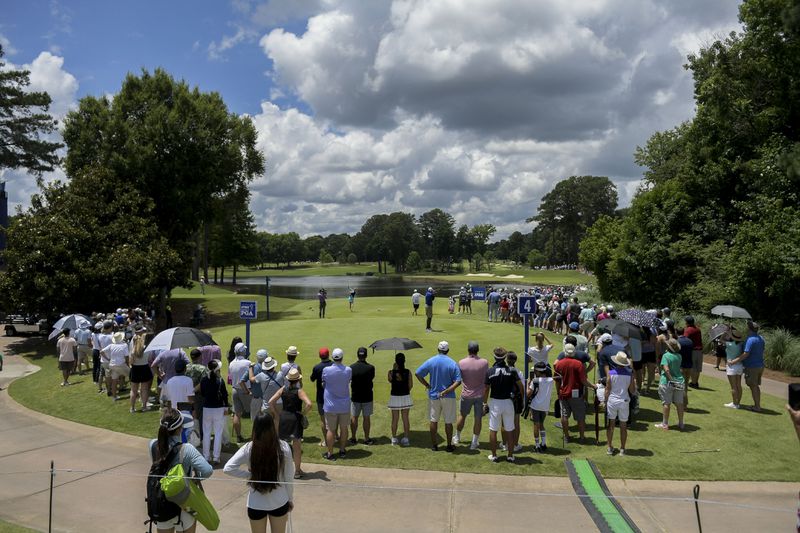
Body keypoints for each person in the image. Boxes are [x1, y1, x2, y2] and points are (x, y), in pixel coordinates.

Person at [223, 412, 294, 533]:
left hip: (256, 503)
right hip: (279, 501)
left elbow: (228, 468)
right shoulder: (284, 447)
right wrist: (290, 499)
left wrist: (250, 476)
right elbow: (289, 477)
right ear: (272, 427)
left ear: (255, 428)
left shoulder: (248, 448)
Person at [149, 408, 213, 533]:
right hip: (184, 504)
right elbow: (207, 471)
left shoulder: (152, 445)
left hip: (161, 502)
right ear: (180, 428)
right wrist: (194, 480)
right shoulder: (187, 449)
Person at [415, 340, 462, 451]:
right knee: (448, 421)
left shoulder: (431, 361)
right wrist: (447, 391)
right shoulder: (452, 363)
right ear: (448, 350)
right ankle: (449, 445)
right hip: (448, 397)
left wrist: (427, 384)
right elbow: (458, 381)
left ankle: (434, 445)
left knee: (433, 420)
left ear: (438, 349)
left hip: (434, 395)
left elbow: (418, 373)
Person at [269, 368, 312, 478]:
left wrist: (276, 414)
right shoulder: (299, 391)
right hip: (295, 418)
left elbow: (271, 402)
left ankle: (279, 470)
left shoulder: (283, 389)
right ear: (298, 380)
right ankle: (297, 471)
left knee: (282, 445)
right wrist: (303, 413)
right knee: (296, 446)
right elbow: (309, 404)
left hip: (284, 417)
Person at [483, 347, 523, 463]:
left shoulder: (489, 371)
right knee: (510, 429)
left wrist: (484, 403)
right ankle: (510, 456)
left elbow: (486, 389)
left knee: (493, 429)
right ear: (505, 357)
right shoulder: (512, 371)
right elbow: (520, 386)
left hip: (495, 402)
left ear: (495, 357)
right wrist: (520, 398)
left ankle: (494, 455)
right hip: (508, 402)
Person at [554, 343, 597, 443]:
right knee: (580, 417)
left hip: (563, 394)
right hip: (576, 394)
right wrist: (593, 386)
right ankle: (582, 438)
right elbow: (583, 381)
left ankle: (567, 437)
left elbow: (557, 380)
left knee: (564, 416)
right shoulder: (579, 364)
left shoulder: (559, 364)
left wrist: (558, 393)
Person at [453, 341, 487, 450]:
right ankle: (474, 442)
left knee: (462, 415)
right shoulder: (485, 362)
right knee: (478, 418)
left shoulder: (461, 362)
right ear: (477, 350)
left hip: (466, 395)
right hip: (479, 395)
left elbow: (459, 378)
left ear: (468, 350)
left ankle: (457, 437)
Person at [322, 348, 352, 460]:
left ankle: (330, 453)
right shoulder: (348, 370)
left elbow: (323, 382)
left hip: (330, 405)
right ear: (342, 357)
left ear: (333, 358)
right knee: (344, 428)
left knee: (331, 429)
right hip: (344, 405)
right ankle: (342, 450)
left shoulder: (326, 370)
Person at [729, 320, 765, 412]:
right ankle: (757, 405)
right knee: (755, 385)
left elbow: (746, 354)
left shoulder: (750, 339)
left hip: (752, 366)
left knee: (753, 386)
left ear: (749, 328)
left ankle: (757, 406)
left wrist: (734, 361)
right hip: (760, 365)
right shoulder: (760, 338)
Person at [606, 352, 636, 456]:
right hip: (624, 401)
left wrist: (604, 401)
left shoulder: (610, 373)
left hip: (612, 401)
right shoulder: (630, 374)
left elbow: (607, 389)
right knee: (623, 426)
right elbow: (632, 391)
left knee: (611, 425)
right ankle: (622, 449)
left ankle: (609, 447)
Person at [200, 360, 229, 464]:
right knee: (218, 433)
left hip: (207, 408)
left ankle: (206, 456)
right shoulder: (220, 380)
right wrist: (226, 407)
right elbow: (225, 395)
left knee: (206, 433)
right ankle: (216, 457)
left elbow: (203, 393)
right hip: (218, 408)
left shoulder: (204, 380)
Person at [655, 338, 686, 430]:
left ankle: (665, 424)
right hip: (679, 381)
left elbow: (666, 369)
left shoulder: (666, 355)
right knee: (679, 403)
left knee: (666, 403)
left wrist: (671, 380)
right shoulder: (679, 356)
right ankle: (681, 423)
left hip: (667, 382)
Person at [349, 347, 375, 445]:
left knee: (354, 417)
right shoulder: (371, 368)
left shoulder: (351, 367)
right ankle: (366, 438)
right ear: (366, 355)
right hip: (367, 396)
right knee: (366, 417)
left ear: (357, 355)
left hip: (356, 396)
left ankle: (353, 437)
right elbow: (372, 377)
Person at [527, 361, 555, 453]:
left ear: (538, 371)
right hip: (545, 407)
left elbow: (528, 394)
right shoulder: (551, 380)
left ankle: (537, 445)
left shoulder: (535, 381)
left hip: (535, 406)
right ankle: (543, 444)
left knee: (536, 425)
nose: (534, 372)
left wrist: (528, 383)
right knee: (542, 425)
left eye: (535, 370)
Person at [388, 352, 413, 446]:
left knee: (395, 418)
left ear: (396, 361)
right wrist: (405, 391)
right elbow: (410, 386)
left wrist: (394, 370)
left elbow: (390, 380)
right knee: (405, 418)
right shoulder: (408, 372)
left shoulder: (390, 373)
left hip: (394, 397)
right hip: (405, 396)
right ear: (404, 361)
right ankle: (406, 438)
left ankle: (394, 438)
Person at [253, 354, 284, 427]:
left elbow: (252, 379)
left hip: (266, 404)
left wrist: (250, 368)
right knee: (277, 421)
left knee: (266, 424)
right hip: (279, 402)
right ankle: (276, 437)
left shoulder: (261, 375)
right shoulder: (280, 374)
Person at [310, 347, 333, 444]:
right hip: (332, 395)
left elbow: (312, 379)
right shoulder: (333, 365)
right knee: (333, 418)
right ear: (328, 355)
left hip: (321, 397)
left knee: (323, 420)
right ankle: (335, 436)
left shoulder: (317, 367)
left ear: (320, 356)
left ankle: (326, 441)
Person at [129, 325, 154, 412]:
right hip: (144, 367)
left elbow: (130, 355)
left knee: (133, 390)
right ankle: (144, 407)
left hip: (135, 368)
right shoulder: (146, 342)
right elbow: (150, 355)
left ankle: (132, 408)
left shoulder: (132, 341)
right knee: (144, 389)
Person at [101, 331, 130, 401]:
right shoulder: (124, 345)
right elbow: (127, 357)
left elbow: (101, 351)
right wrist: (128, 365)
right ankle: (136, 392)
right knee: (133, 377)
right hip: (121, 365)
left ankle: (114, 397)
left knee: (114, 381)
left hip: (112, 365)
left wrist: (108, 359)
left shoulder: (111, 345)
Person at [185, 349, 209, 427]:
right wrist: (194, 389)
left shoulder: (185, 367)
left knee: (188, 415)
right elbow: (204, 382)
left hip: (186, 395)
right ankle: (200, 435)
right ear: (200, 357)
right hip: (198, 395)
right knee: (199, 416)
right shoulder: (203, 369)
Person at [724, 329, 744, 409]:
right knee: (738, 385)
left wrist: (726, 333)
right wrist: (731, 334)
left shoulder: (729, 344)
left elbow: (721, 340)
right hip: (739, 365)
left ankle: (735, 404)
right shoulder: (741, 344)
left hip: (731, 366)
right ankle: (737, 403)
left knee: (733, 386)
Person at [683, 316, 703, 388]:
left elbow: (685, 339)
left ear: (687, 322)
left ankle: (694, 383)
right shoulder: (698, 329)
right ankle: (695, 382)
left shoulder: (688, 330)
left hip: (693, 350)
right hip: (700, 350)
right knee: (698, 368)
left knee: (693, 367)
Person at [676, 327, 694, 407]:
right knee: (685, 386)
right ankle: (683, 404)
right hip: (689, 366)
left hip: (681, 366)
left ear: (676, 332)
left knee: (680, 386)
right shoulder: (690, 341)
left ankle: (684, 404)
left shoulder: (677, 342)